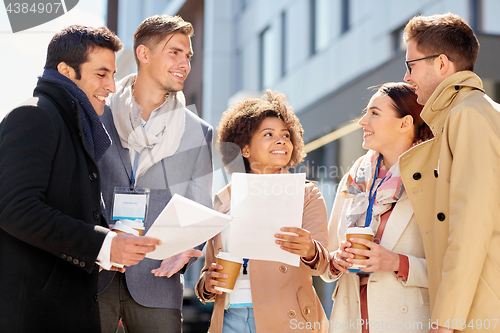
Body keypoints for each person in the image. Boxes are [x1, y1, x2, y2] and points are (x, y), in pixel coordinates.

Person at [0, 25, 161, 333]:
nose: (111, 86)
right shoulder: (33, 116)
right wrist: (103, 244)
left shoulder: (73, 126)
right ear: (65, 70)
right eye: (101, 74)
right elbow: (15, 208)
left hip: (65, 308)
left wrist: (109, 237)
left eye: (113, 75)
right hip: (33, 315)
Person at [97, 15, 213, 333]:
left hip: (157, 280)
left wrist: (191, 251)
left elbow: (199, 207)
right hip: (95, 274)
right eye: (174, 52)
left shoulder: (197, 132)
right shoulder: (98, 114)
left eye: (188, 56)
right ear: (144, 54)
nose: (184, 63)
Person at [196, 90, 329, 333]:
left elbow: (323, 265)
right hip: (229, 320)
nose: (281, 141)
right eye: (269, 134)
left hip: (287, 318)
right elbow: (209, 269)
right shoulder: (223, 199)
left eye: (286, 135)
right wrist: (207, 283)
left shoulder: (306, 194)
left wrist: (309, 249)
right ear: (244, 149)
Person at [399, 13, 500, 333]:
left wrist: (446, 320)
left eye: (411, 65)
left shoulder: (468, 114)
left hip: (479, 312)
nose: (406, 77)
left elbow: (471, 221)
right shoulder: (473, 112)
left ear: (442, 64)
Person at [322, 82, 433, 333]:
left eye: (374, 113)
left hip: (407, 322)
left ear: (405, 123)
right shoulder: (355, 177)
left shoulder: (434, 177)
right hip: (350, 321)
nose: (362, 121)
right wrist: (336, 260)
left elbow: (454, 267)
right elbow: (328, 259)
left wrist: (397, 262)